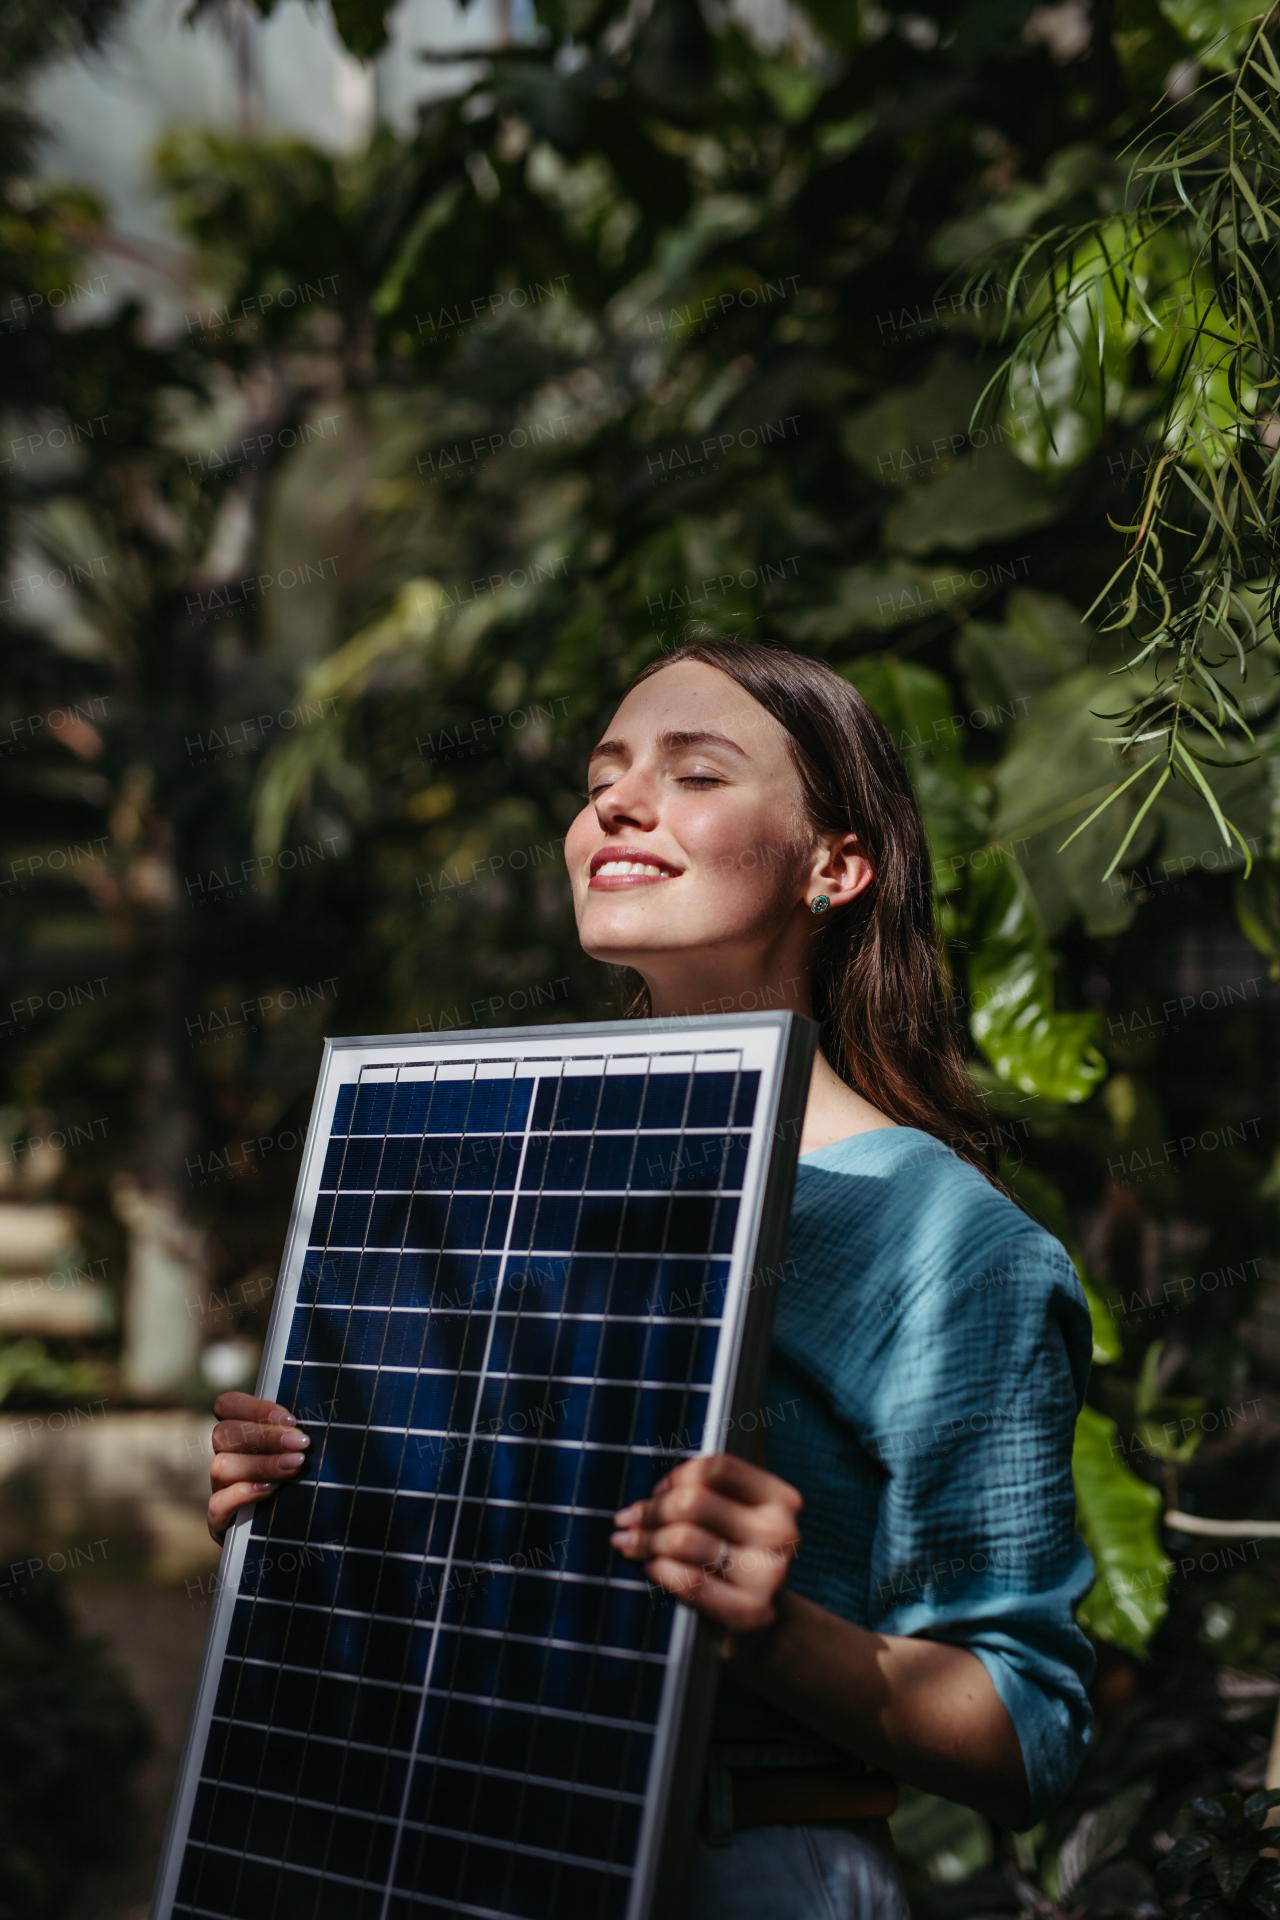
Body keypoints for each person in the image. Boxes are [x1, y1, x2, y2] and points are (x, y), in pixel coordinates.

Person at [207, 640, 1095, 1919]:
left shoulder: (946, 1241)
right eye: (604, 775)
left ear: (835, 865)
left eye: (694, 773)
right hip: (430, 1858)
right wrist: (296, 1512)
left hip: (745, 1873)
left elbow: (1029, 1731)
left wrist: (764, 1630)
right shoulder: (474, 1172)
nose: (617, 803)